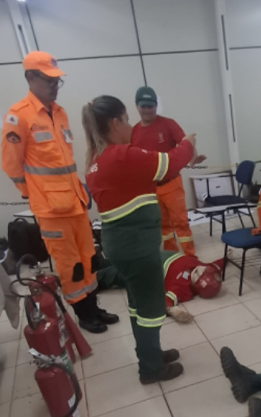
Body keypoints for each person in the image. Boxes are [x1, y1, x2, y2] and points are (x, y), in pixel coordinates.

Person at [0, 51, 117, 334]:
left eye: (57, 81)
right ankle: (85, 314)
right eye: (49, 80)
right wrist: (32, 194)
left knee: (88, 257)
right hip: (51, 209)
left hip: (75, 203)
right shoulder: (19, 116)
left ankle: (93, 306)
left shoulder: (60, 113)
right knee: (70, 264)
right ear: (30, 77)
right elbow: (10, 163)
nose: (54, 85)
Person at [82, 95, 196, 384]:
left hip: (122, 245)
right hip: (136, 247)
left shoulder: (96, 159)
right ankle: (151, 368)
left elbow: (146, 178)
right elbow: (169, 162)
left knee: (137, 304)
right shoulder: (121, 154)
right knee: (150, 308)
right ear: (115, 122)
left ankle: (151, 353)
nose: (131, 124)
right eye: (127, 119)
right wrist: (188, 144)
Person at [131, 86, 206, 257]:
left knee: (181, 222)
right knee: (163, 225)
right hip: (150, 188)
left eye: (151, 106)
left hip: (172, 184)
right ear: (137, 106)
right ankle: (171, 258)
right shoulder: (133, 132)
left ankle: (190, 258)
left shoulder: (168, 124)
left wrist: (193, 158)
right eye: (144, 106)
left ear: (156, 105)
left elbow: (187, 143)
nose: (148, 110)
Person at [95, 251, 224, 324]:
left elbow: (167, 301)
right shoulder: (205, 267)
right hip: (150, 256)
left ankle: (92, 280)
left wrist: (174, 311)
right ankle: (95, 263)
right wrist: (227, 257)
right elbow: (217, 264)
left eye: (198, 273)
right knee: (119, 259)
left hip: (145, 271)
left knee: (114, 273)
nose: (200, 268)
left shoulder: (181, 287)